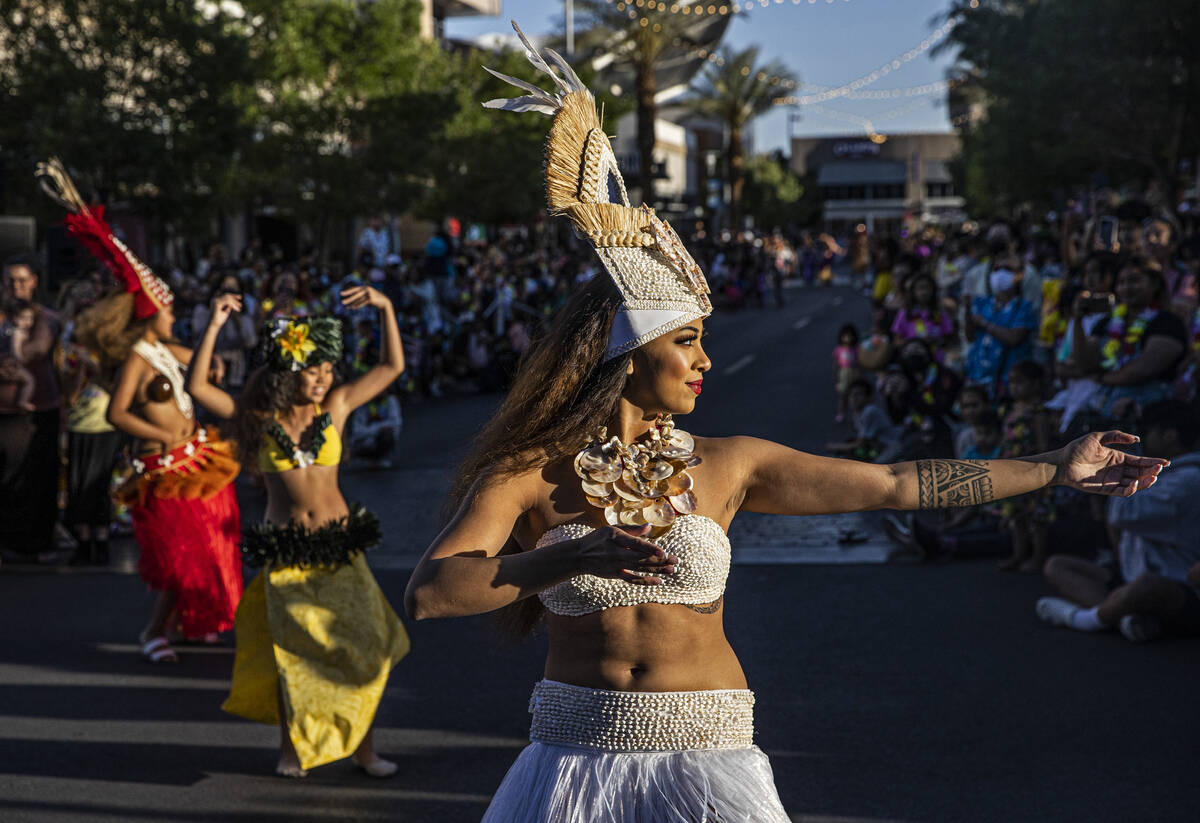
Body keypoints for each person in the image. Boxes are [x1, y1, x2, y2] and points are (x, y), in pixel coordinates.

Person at [404, 35, 1168, 821]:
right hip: (572, 762)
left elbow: (893, 483)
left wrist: (1052, 465)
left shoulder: (731, 464)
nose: (705, 360)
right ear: (628, 354)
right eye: (688, 340)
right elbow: (430, 593)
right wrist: (570, 558)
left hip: (708, 760)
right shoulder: (532, 469)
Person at [191, 289, 410, 778]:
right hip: (288, 557)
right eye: (314, 370)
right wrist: (213, 325)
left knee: (368, 647)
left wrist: (385, 308)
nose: (323, 378)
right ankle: (292, 749)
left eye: (328, 370)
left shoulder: (337, 407)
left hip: (340, 551)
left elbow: (391, 367)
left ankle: (365, 750)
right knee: (296, 657)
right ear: (289, 371)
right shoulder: (261, 420)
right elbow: (199, 389)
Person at [39, 158, 243, 662]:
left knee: (213, 548)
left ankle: (190, 621)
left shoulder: (171, 351)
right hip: (162, 468)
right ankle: (154, 629)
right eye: (168, 309)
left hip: (198, 457)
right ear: (150, 314)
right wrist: (156, 435)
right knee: (178, 559)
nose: (174, 314)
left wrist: (214, 341)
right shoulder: (137, 357)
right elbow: (116, 415)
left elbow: (202, 367)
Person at [1036, 400, 1200, 643]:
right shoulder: (1166, 471)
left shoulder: (1190, 479)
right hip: (1131, 570)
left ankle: (1084, 619)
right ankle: (1123, 617)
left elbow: (1123, 514)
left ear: (1169, 436)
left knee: (1148, 587)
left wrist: (1118, 466)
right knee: (1057, 566)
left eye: (1146, 432)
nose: (1141, 439)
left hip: (1176, 581)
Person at [1, 255, 62, 559]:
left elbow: (36, 352)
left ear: (34, 281)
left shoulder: (44, 317)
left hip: (37, 409)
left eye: (22, 280)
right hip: (5, 413)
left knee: (34, 479)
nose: (16, 286)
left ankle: (35, 544)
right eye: (10, 281)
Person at [996, 360, 1056, 571]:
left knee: (1036, 519)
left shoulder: (1038, 412)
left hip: (1033, 471)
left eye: (1020, 382)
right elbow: (1005, 440)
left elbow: (1043, 443)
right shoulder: (1009, 410)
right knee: (1016, 516)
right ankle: (1018, 554)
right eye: (1011, 382)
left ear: (1035, 384)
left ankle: (1038, 557)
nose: (1014, 387)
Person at [964, 258, 1038, 394]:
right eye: (997, 270)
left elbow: (1014, 338)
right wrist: (967, 309)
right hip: (977, 375)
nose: (1000, 275)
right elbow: (970, 336)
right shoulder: (981, 303)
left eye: (1007, 270)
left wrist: (983, 323)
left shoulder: (1023, 307)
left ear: (1019, 276)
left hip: (1006, 380)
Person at [832, 323, 860, 423]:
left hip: (854, 373)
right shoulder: (839, 350)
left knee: (854, 395)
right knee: (843, 396)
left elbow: (859, 363)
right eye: (846, 336)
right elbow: (836, 365)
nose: (848, 339)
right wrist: (835, 378)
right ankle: (841, 412)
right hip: (844, 374)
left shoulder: (856, 349)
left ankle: (856, 413)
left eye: (850, 336)